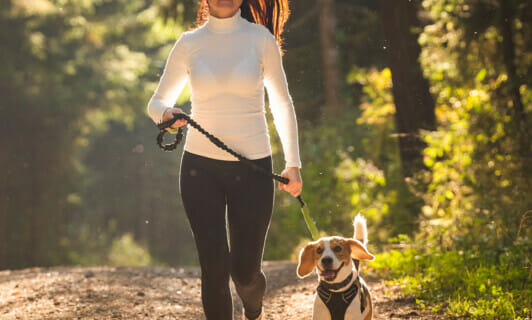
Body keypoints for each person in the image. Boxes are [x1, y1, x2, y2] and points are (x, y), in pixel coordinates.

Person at [146, 0, 302, 319]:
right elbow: (156, 101)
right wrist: (166, 113)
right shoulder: (189, 43)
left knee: (244, 272)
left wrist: (293, 164)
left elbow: (282, 103)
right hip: (200, 169)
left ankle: (253, 305)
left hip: (254, 168)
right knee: (214, 266)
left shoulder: (261, 39)